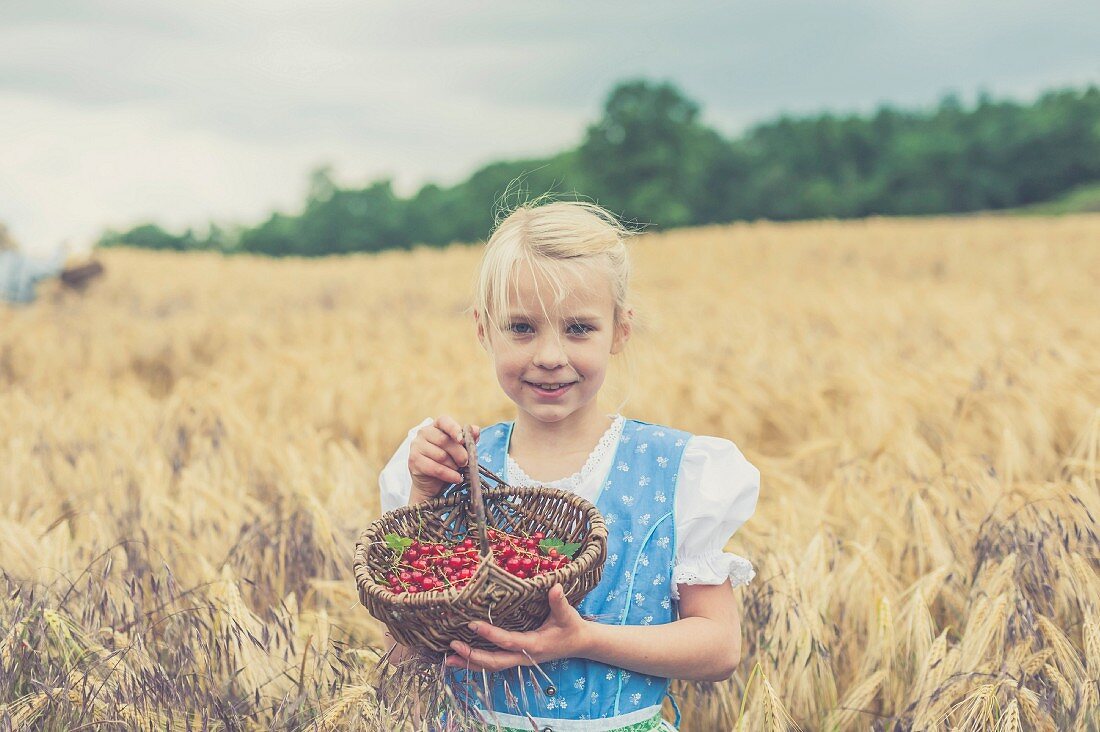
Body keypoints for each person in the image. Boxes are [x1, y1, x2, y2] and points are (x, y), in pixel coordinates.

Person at [377, 200, 760, 731]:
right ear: (483, 330)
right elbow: (400, 654)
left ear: (620, 332)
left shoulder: (678, 470)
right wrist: (422, 501)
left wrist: (586, 638)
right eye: (521, 328)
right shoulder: (452, 467)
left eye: (579, 328)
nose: (550, 355)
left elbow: (719, 648)